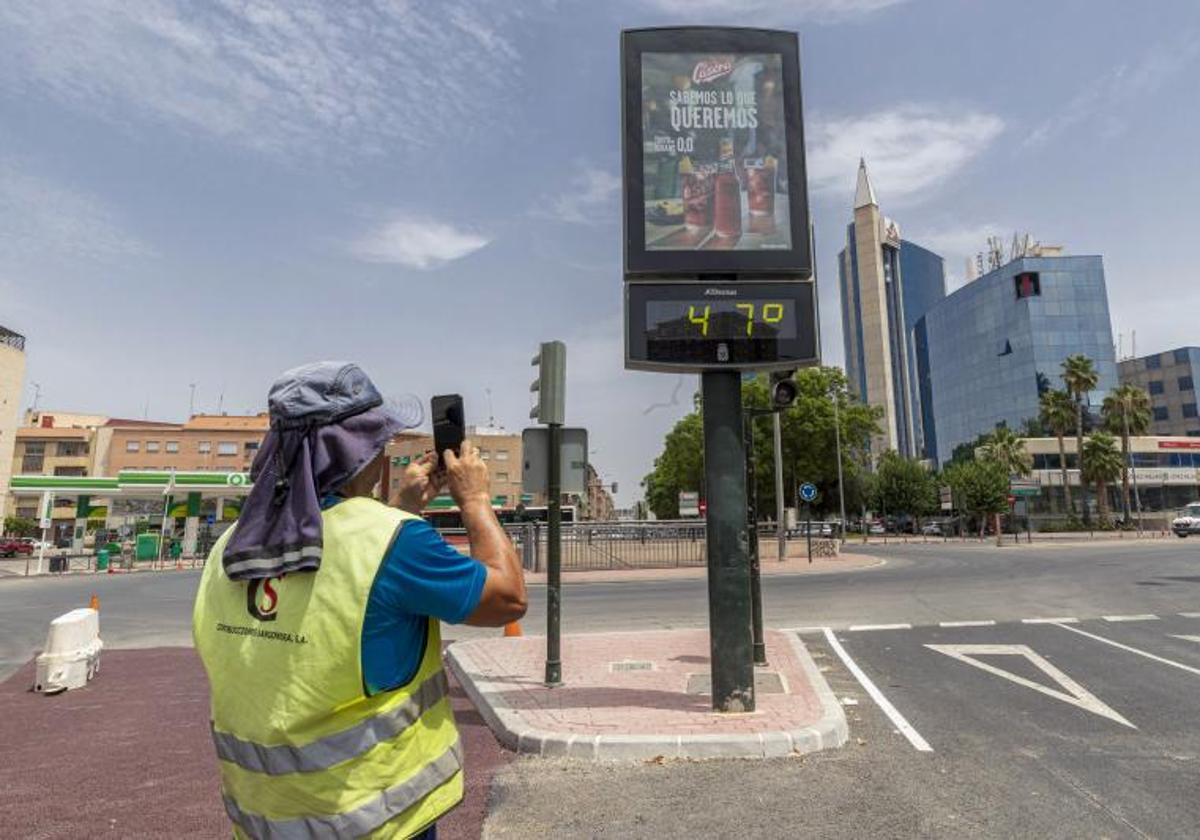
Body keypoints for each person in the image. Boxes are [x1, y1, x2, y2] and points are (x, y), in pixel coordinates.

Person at [192, 362, 526, 840]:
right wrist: (473, 499)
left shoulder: (229, 546)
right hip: (373, 819)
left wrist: (401, 506)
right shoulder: (395, 542)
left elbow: (342, 581)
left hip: (264, 821)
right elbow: (508, 599)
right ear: (354, 451)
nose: (384, 451)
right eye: (377, 440)